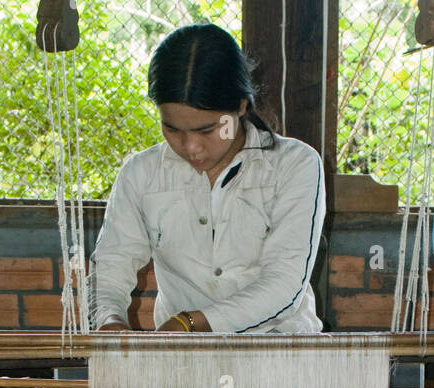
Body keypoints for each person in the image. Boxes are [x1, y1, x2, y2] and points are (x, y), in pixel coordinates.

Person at [91, 23, 325, 335]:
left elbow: (284, 284)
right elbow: (111, 265)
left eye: (207, 130)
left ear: (241, 106)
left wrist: (189, 323)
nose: (191, 148)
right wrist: (110, 322)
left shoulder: (294, 166)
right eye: (172, 129)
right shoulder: (142, 174)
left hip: (279, 352)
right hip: (183, 357)